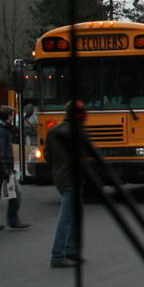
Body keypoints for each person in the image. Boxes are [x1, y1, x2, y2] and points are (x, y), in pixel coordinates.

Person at [44, 100, 88, 267]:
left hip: (60, 177)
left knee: (75, 214)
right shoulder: (77, 132)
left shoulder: (54, 130)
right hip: (73, 178)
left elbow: (47, 154)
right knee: (67, 217)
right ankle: (58, 255)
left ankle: (71, 250)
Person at [0, 105, 30, 231]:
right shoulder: (1, 132)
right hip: (1, 168)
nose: (13, 118)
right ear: (8, 117)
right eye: (12, 115)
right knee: (15, 194)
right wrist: (5, 170)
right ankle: (13, 220)